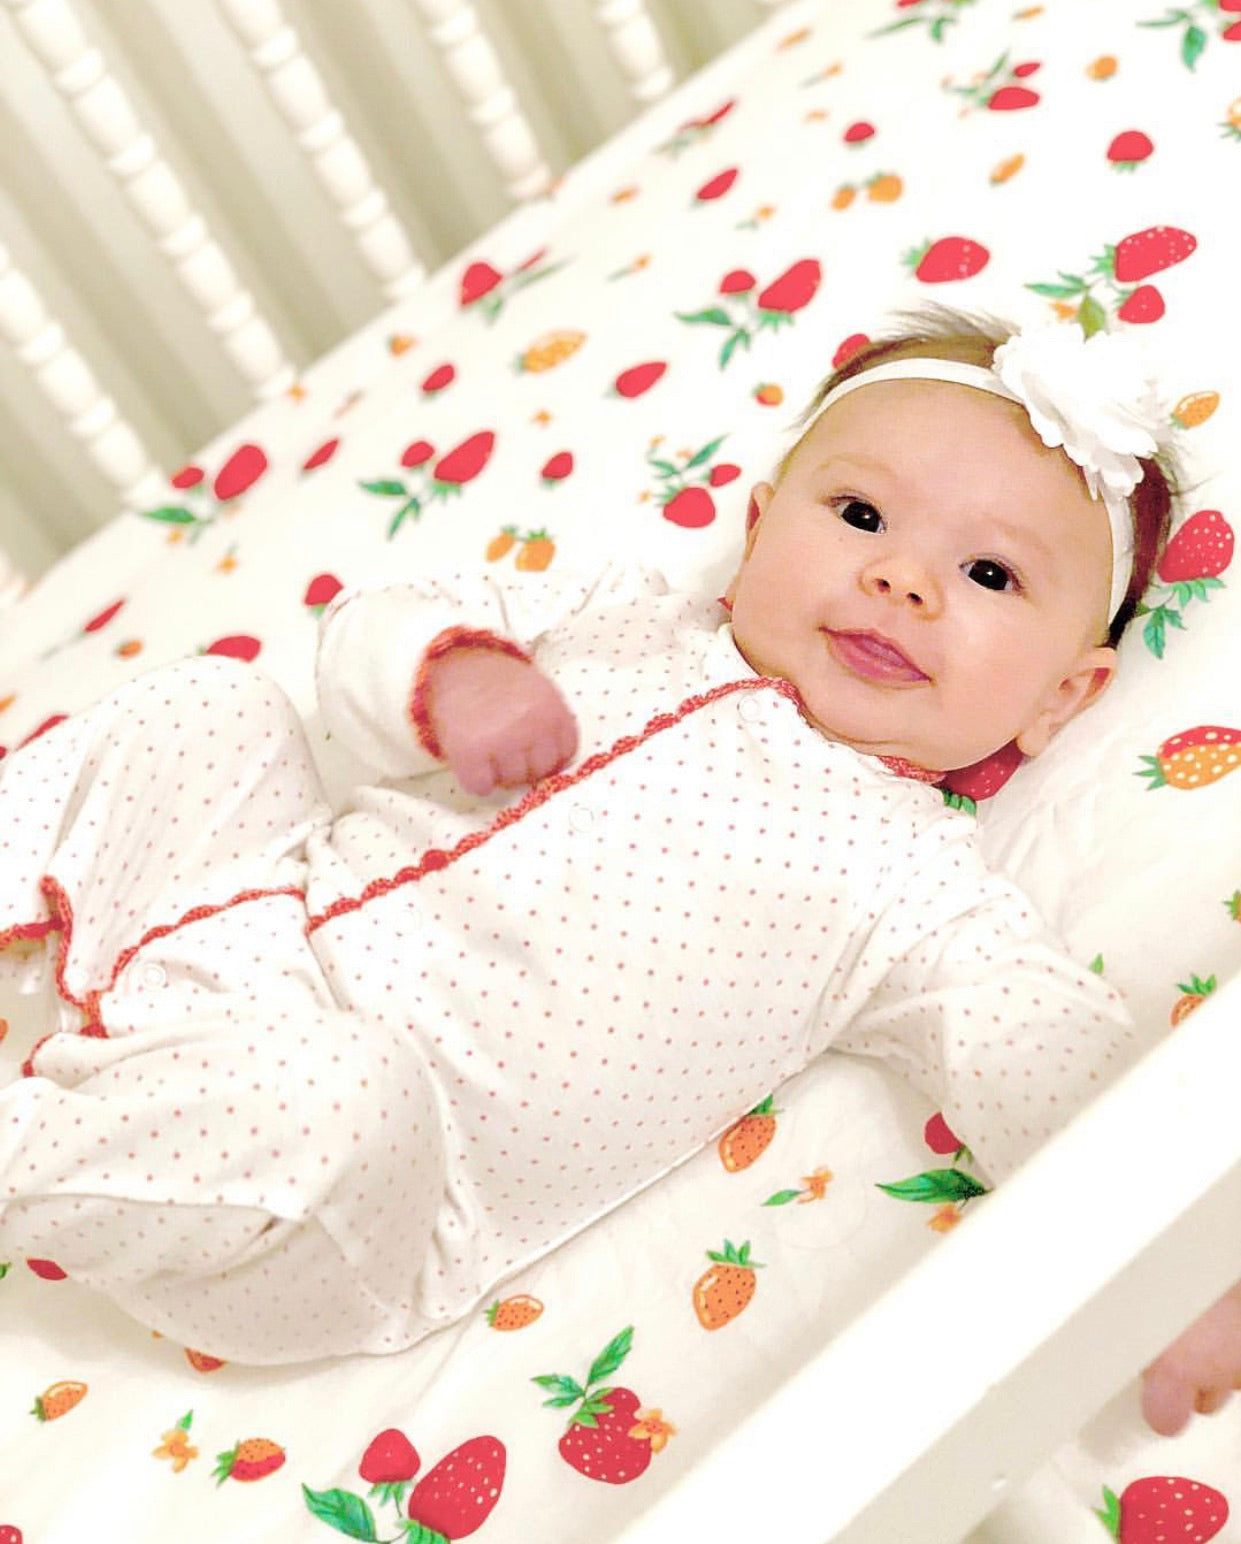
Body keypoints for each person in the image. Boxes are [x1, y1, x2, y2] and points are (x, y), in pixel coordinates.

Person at [0, 308, 1232, 1427]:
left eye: (988, 575)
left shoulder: (913, 886)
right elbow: (374, 623)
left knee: (334, 1091)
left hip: (363, 1194)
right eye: (860, 516)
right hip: (241, 946)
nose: (898, 578)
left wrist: (1174, 1270)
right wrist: (448, 671)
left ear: (1060, 698)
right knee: (217, 707)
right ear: (757, 528)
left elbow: (1046, 1058)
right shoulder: (613, 614)